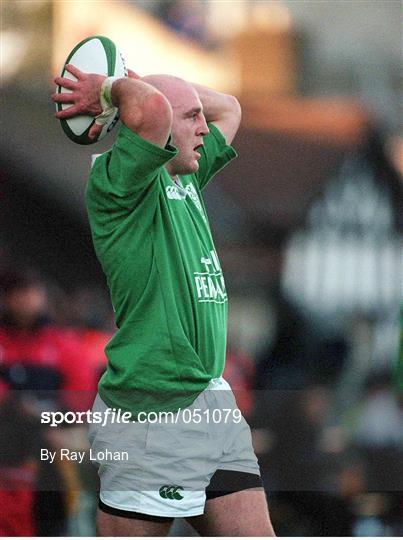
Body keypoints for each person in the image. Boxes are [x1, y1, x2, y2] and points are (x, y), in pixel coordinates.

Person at [52, 64, 275, 536]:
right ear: (150, 128)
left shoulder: (185, 177)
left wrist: (143, 80)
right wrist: (111, 90)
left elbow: (229, 108)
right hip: (153, 404)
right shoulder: (121, 182)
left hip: (208, 397)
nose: (203, 126)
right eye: (191, 117)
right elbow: (152, 109)